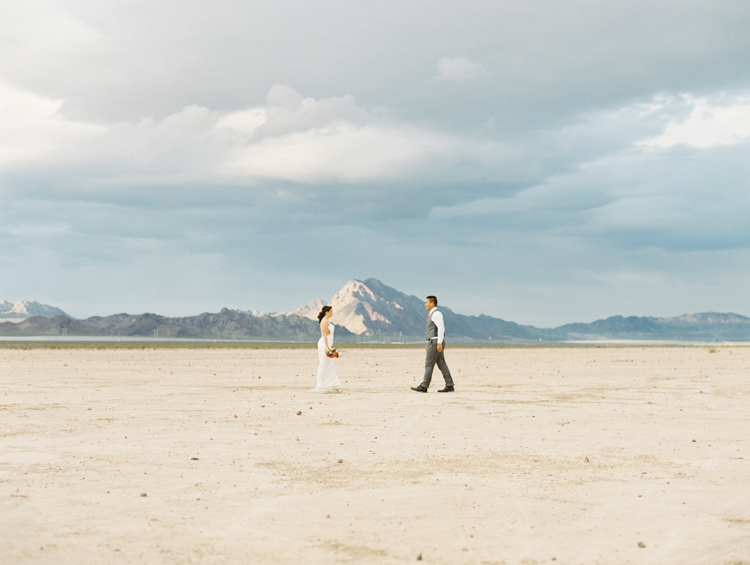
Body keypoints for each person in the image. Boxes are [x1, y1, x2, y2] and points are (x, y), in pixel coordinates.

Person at [411, 295, 455, 393]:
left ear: (432, 303)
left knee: (429, 364)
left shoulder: (436, 314)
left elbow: (441, 328)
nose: (425, 304)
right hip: (434, 341)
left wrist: (439, 342)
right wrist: (428, 342)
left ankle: (424, 386)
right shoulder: (432, 314)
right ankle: (449, 385)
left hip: (435, 342)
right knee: (441, 363)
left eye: (426, 302)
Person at [313, 305, 342, 393]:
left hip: (328, 344)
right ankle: (320, 385)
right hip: (324, 345)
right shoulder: (325, 321)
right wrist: (327, 348)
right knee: (324, 364)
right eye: (331, 311)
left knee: (330, 364)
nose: (332, 313)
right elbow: (324, 335)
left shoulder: (326, 321)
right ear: (327, 312)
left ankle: (332, 384)